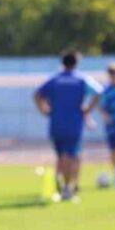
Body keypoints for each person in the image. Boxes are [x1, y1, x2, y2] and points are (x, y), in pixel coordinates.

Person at [33, 49, 103, 201]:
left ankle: (64, 183)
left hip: (56, 122)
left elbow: (37, 94)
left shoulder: (54, 79)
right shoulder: (81, 79)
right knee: (72, 155)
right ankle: (68, 187)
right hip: (74, 122)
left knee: (61, 155)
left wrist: (44, 109)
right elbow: (99, 92)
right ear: (76, 62)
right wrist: (87, 109)